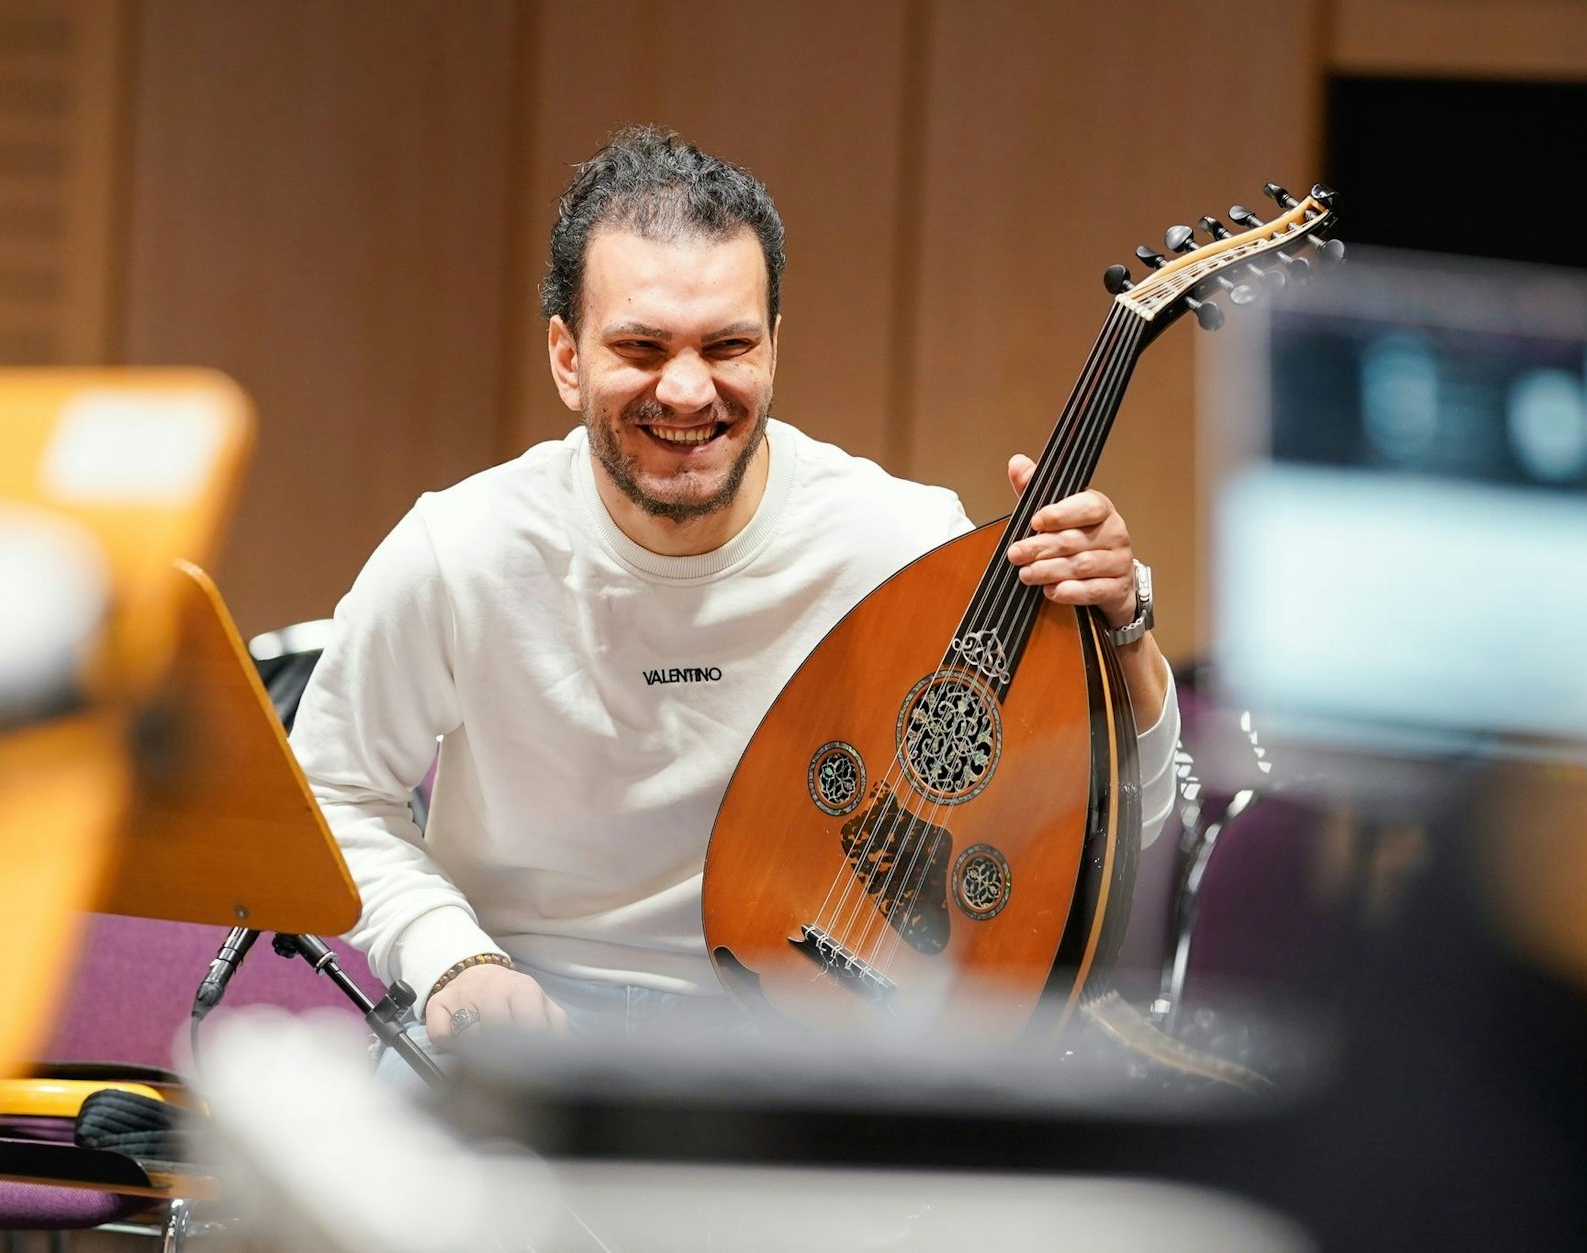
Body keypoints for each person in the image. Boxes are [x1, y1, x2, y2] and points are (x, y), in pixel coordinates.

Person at [289, 126, 1180, 1061]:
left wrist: (1126, 634)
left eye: (727, 345)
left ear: (772, 349)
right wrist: (450, 958)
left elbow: (1113, 837)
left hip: (793, 1036)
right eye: (640, 345)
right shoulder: (462, 550)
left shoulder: (900, 545)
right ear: (567, 356)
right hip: (521, 1009)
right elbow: (333, 795)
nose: (685, 389)